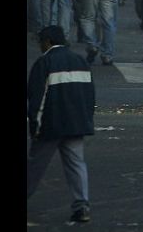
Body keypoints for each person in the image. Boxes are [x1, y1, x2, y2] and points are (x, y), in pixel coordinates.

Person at [27, 26, 96, 224]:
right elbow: (89, 96)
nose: (40, 45)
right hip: (76, 123)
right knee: (76, 165)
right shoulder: (81, 61)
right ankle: (82, 205)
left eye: (40, 41)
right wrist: (86, 119)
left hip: (51, 125)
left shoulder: (44, 63)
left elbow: (37, 99)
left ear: (47, 41)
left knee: (34, 167)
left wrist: (35, 126)